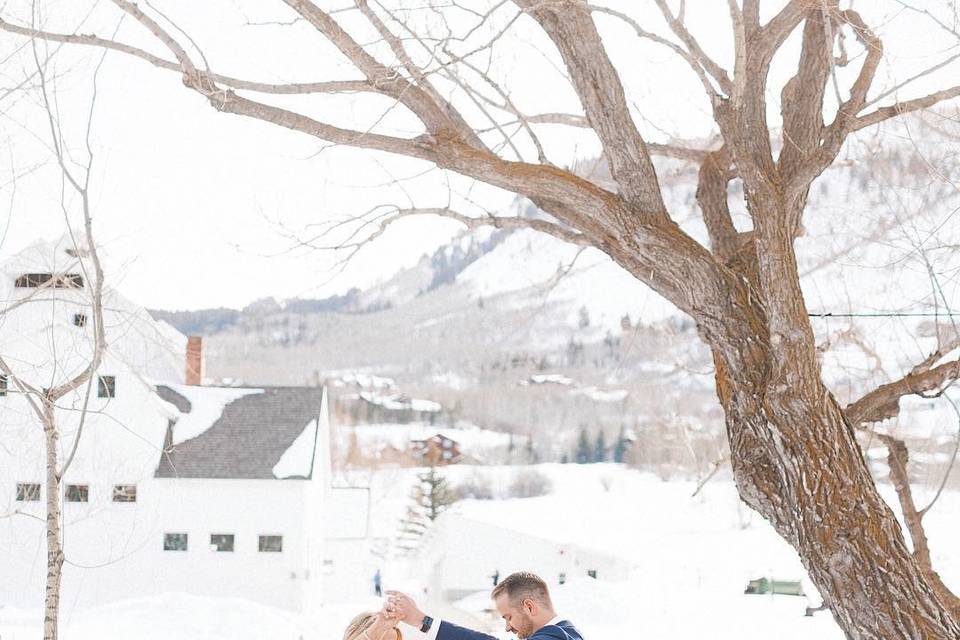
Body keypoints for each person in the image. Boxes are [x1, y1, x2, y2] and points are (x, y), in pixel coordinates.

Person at [387, 571, 583, 640]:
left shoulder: (557, 637)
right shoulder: (569, 633)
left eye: (508, 617)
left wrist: (422, 620)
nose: (507, 628)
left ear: (529, 607)